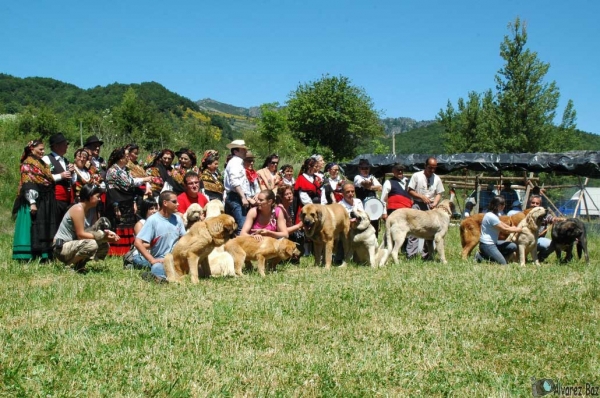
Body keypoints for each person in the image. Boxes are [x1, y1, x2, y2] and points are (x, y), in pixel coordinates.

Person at [53, 184, 120, 272]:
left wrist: (108, 236)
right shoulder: (78, 209)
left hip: (76, 243)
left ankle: (79, 265)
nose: (99, 199)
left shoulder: (92, 209)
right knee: (92, 244)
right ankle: (69, 266)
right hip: (62, 247)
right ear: (89, 196)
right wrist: (103, 236)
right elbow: (80, 235)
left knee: (104, 245)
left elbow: (93, 231)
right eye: (97, 196)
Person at [12, 139, 58, 261]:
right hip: (31, 201)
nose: (43, 152)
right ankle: (26, 254)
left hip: (44, 199)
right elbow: (28, 183)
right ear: (32, 149)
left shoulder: (41, 163)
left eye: (43, 149)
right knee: (30, 226)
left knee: (42, 226)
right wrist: (32, 202)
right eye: (40, 149)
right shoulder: (28, 163)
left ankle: (43, 253)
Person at [105, 147, 152, 255]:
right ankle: (116, 250)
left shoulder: (125, 170)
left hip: (127, 201)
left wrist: (134, 201)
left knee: (128, 224)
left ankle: (126, 249)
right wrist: (144, 179)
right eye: (126, 156)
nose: (128, 158)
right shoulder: (113, 171)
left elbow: (131, 186)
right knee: (119, 224)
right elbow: (121, 186)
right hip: (117, 202)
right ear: (120, 158)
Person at [134, 191, 186, 282]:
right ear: (165, 203)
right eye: (174, 202)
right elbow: (138, 243)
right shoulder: (153, 220)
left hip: (177, 259)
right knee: (157, 268)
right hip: (161, 260)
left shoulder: (178, 219)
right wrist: (152, 260)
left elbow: (184, 239)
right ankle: (160, 279)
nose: (178, 204)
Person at [406, 156, 445, 260]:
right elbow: (410, 190)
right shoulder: (416, 176)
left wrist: (435, 202)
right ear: (425, 166)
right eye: (430, 167)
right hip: (418, 205)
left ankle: (427, 256)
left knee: (429, 232)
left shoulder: (437, 178)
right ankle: (411, 256)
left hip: (431, 207)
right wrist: (421, 197)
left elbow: (439, 193)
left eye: (434, 168)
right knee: (414, 230)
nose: (432, 170)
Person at [476, 196, 522, 264]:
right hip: (487, 245)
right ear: (498, 205)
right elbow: (504, 230)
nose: (504, 206)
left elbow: (502, 224)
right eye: (503, 204)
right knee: (503, 264)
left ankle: (495, 256)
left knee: (513, 246)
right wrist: (518, 230)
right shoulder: (491, 216)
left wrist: (514, 227)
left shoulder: (494, 215)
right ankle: (480, 257)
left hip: (494, 243)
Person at [43, 133, 74, 226]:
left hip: (66, 197)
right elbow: (44, 178)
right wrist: (61, 175)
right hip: (55, 197)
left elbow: (71, 180)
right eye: (64, 144)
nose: (67, 146)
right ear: (56, 146)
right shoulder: (46, 159)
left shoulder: (65, 160)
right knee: (55, 222)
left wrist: (72, 172)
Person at [223, 139, 251, 235]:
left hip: (233, 196)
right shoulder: (236, 163)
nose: (245, 151)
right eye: (242, 150)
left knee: (232, 227)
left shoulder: (235, 162)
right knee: (241, 227)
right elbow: (235, 181)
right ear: (236, 151)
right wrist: (243, 197)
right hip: (236, 197)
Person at [127, 198, 159, 269]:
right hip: (140, 255)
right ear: (145, 210)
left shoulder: (159, 223)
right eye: (151, 208)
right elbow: (141, 245)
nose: (154, 211)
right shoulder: (140, 224)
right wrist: (157, 244)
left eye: (156, 208)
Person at [353, 158, 382, 235]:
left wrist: (370, 187)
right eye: (363, 168)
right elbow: (364, 183)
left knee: (375, 225)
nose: (365, 170)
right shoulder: (357, 177)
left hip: (373, 205)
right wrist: (369, 185)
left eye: (367, 168)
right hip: (362, 206)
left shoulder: (371, 177)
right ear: (359, 169)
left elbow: (380, 187)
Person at [528, 194, 560, 262]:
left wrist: (555, 219)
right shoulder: (524, 214)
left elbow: (551, 218)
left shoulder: (545, 215)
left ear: (540, 205)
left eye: (537, 203)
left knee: (552, 245)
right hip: (525, 240)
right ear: (529, 203)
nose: (534, 205)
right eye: (533, 202)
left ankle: (539, 258)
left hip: (538, 240)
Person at [294, 157, 322, 223]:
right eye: (315, 166)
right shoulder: (301, 178)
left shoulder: (316, 178)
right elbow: (303, 197)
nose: (317, 168)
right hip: (306, 208)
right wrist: (313, 207)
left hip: (317, 207)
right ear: (309, 166)